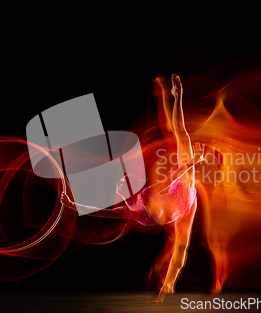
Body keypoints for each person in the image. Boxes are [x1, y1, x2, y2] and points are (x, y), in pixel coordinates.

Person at [60, 74, 202, 301]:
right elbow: (102, 212)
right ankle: (168, 286)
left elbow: (178, 173)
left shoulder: (139, 202)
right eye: (121, 181)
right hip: (180, 199)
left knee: (178, 135)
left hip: (179, 191)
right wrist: (73, 204)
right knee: (180, 244)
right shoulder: (133, 209)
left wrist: (192, 165)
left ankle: (175, 96)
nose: (120, 182)